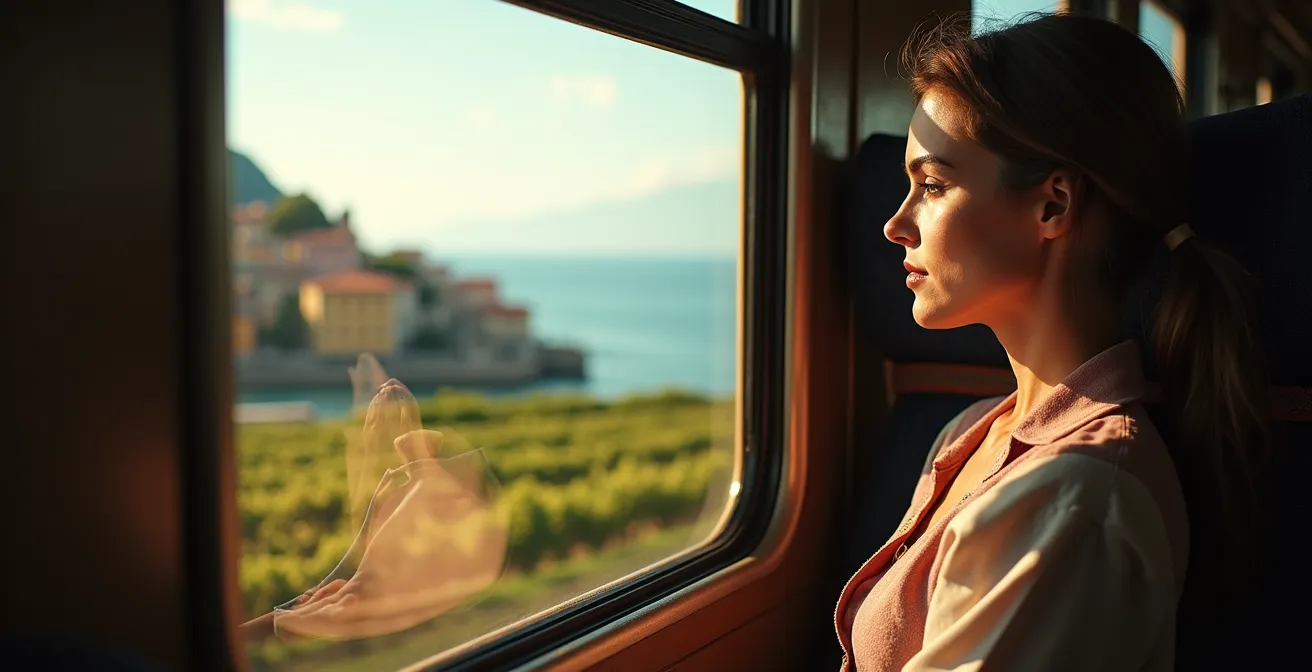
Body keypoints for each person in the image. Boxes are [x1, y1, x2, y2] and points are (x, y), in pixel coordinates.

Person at [834, 12, 1268, 671]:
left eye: (932, 185)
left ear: (1054, 205)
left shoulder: (1079, 503)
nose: (896, 224)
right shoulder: (974, 431)